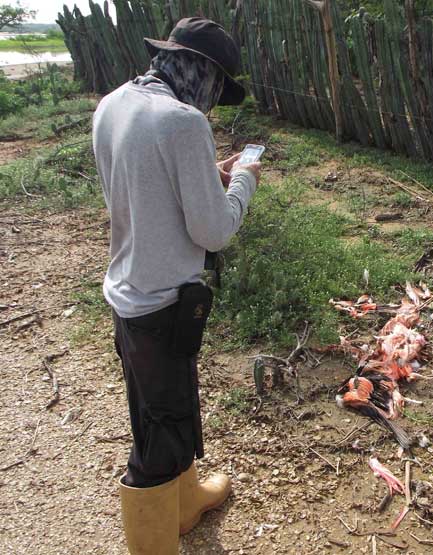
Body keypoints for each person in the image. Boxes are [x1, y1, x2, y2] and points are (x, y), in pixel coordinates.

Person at [92, 18, 260, 554]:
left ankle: (184, 506)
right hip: (164, 302)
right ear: (206, 74)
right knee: (160, 436)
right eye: (217, 87)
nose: (213, 101)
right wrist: (243, 185)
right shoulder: (183, 122)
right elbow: (215, 231)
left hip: (129, 293)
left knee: (165, 408)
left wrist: (207, 172)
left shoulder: (115, 103)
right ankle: (154, 539)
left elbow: (144, 180)